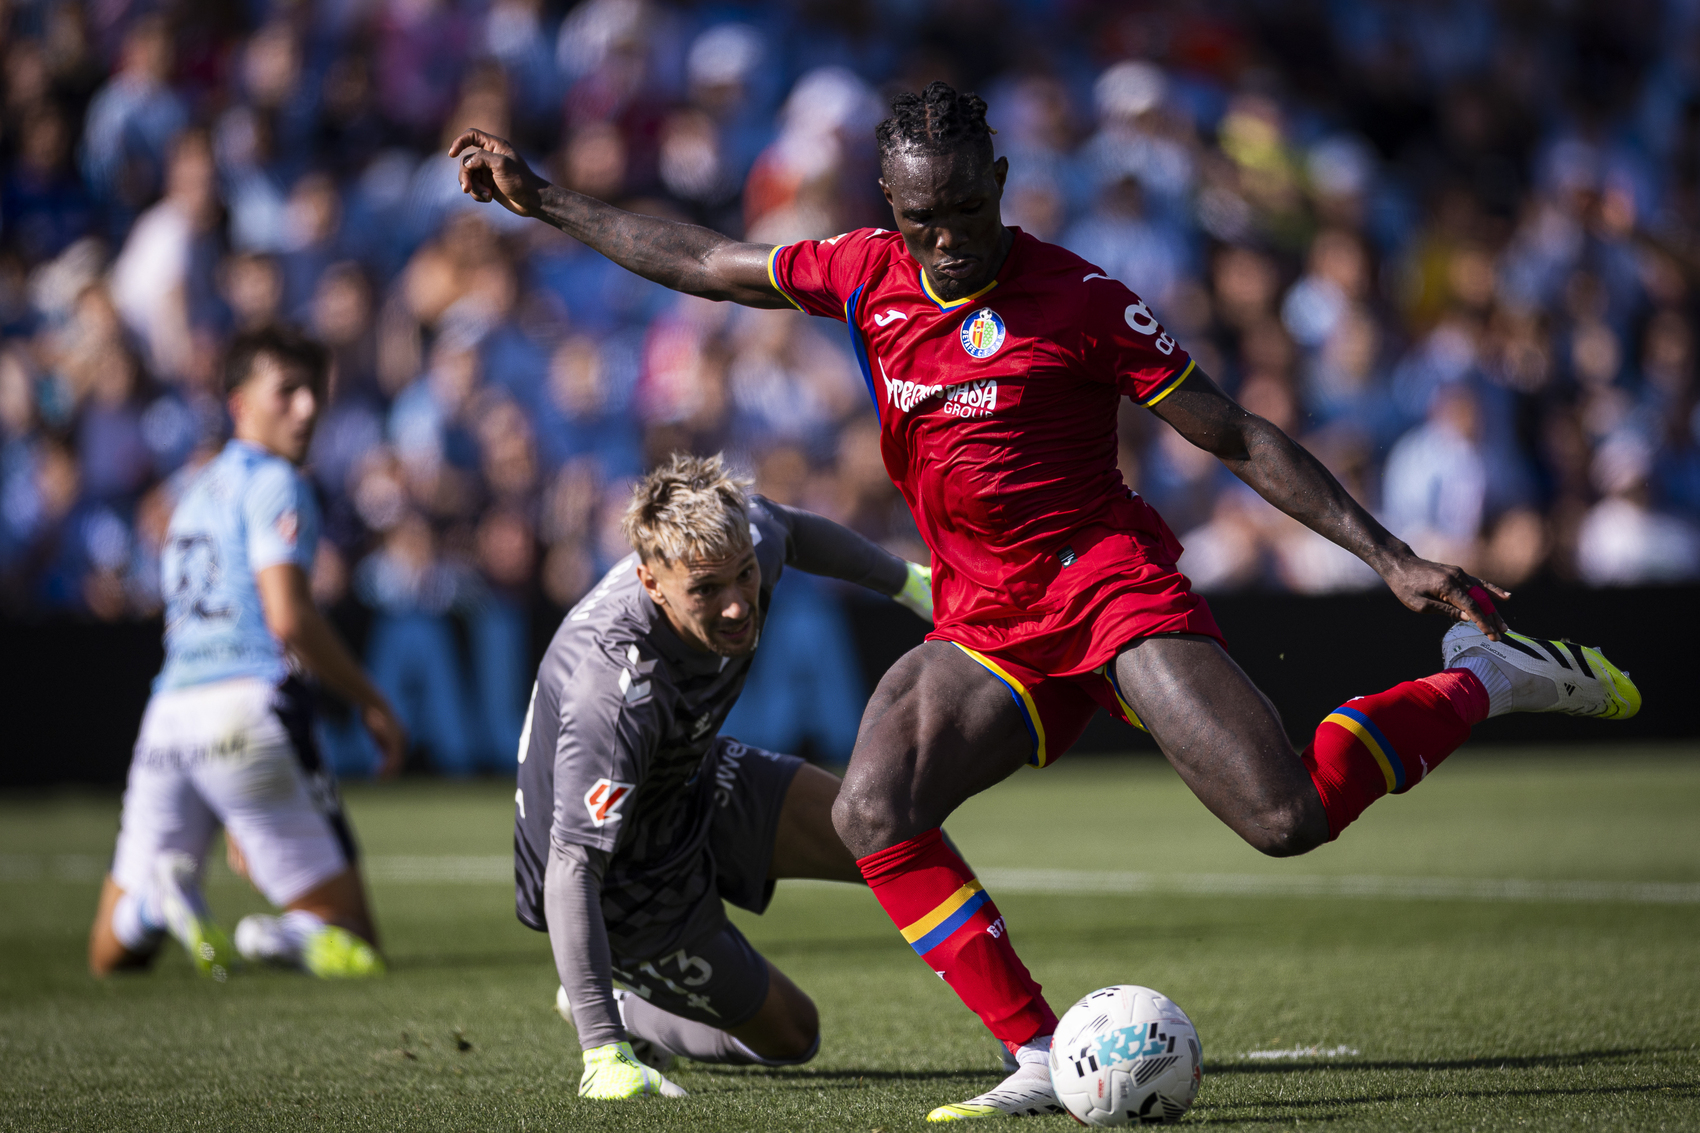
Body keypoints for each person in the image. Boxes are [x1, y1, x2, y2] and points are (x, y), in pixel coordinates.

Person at [452, 81, 1640, 1121]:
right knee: (872, 809)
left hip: (1106, 590)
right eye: (921, 217)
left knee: (1284, 816)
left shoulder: (1079, 298)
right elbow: (702, 261)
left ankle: (1478, 680)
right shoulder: (862, 273)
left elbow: (1234, 432)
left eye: (966, 209)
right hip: (982, 620)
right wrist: (544, 199)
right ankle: (1031, 1048)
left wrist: (1387, 555)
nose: (946, 238)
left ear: (1000, 182)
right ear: (887, 202)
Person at [513, 452, 935, 1099]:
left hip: (690, 777)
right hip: (624, 875)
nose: (739, 606)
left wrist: (910, 584)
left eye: (744, 576)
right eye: (707, 590)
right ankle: (618, 1010)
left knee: (894, 830)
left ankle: (1019, 1032)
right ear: (651, 582)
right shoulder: (615, 690)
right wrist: (601, 1050)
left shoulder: (745, 535)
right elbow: (572, 865)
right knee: (794, 1034)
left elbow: (792, 528)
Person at [88, 327, 407, 982]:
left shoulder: (190, 491)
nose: (307, 408)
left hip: (169, 717)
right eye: (286, 392)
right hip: (246, 710)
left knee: (110, 952)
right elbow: (287, 617)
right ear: (239, 404)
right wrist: (371, 699)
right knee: (354, 937)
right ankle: (279, 934)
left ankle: (150, 906)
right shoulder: (277, 483)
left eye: (313, 392)